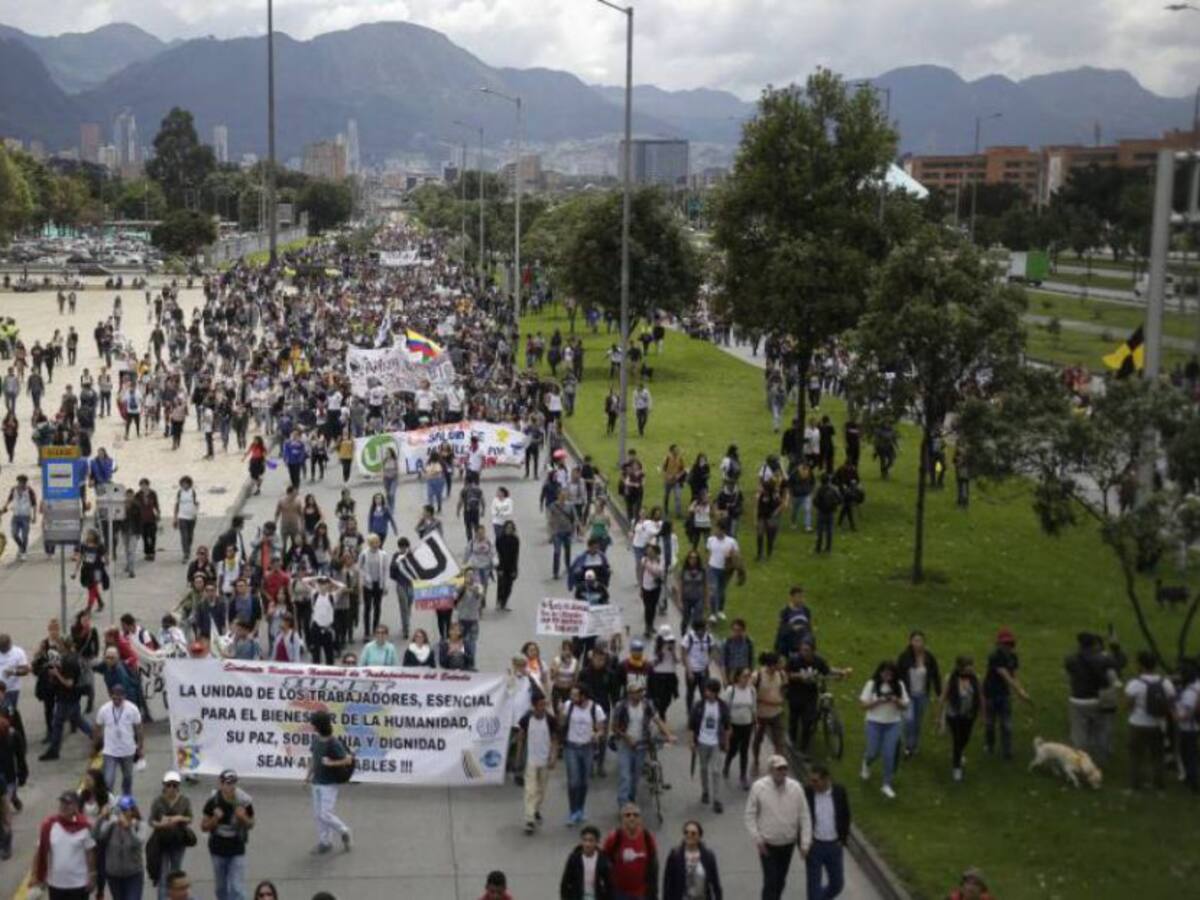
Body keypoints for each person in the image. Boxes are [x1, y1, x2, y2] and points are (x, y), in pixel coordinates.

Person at [744, 754, 811, 900]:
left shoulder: (796, 788)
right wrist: (758, 838)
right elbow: (749, 815)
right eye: (778, 769)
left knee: (780, 880)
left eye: (784, 769)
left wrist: (805, 843)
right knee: (771, 881)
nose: (782, 772)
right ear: (770, 771)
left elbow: (804, 816)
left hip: (788, 845)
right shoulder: (758, 787)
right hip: (767, 845)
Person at [1064, 630, 1125, 763]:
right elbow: (1119, 664)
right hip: (1097, 700)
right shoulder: (1104, 660)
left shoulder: (1070, 660)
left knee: (1079, 734)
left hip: (1077, 700)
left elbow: (1070, 671)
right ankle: (1100, 760)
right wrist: (1115, 647)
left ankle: (1080, 761)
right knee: (1101, 732)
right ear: (1094, 644)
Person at [612, 682, 674, 810]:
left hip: (641, 745)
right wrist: (626, 737)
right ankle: (623, 805)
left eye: (640, 691)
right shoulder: (621, 706)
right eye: (636, 692)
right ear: (629, 694)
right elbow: (615, 727)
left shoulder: (647, 705)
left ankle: (631, 798)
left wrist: (668, 735)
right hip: (625, 745)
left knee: (635, 776)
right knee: (625, 776)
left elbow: (657, 720)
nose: (639, 694)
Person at [30, 791, 97, 899]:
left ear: (76, 806)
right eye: (62, 803)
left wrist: (92, 875)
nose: (64, 806)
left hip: (79, 884)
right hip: (56, 884)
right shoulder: (49, 826)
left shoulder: (84, 827)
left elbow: (90, 852)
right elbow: (39, 851)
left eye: (68, 803)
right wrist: (34, 875)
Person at [1125, 650, 1176, 791]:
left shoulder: (1134, 684)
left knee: (1136, 756)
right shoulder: (1166, 683)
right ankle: (1159, 784)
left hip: (1137, 723)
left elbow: (1128, 704)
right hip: (1158, 724)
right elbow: (1171, 702)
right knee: (1157, 755)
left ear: (1140, 664)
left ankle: (1136, 784)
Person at [201, 770, 255, 900]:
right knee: (221, 889)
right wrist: (215, 819)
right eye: (228, 783)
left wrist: (243, 818)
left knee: (237, 887)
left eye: (234, 783)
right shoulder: (213, 801)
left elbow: (252, 823)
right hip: (218, 849)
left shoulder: (244, 800)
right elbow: (203, 827)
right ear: (221, 783)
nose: (231, 787)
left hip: (237, 847)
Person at [305, 710, 354, 853]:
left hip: (329, 784)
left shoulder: (333, 742)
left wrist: (331, 763)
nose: (312, 726)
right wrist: (308, 776)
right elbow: (314, 759)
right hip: (316, 782)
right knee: (317, 814)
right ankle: (324, 842)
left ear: (320, 725)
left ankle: (344, 830)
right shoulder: (316, 740)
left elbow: (348, 759)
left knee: (325, 814)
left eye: (314, 724)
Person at [859, 661, 909, 798]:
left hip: (893, 724)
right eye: (884, 672)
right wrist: (878, 701)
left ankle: (886, 784)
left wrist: (895, 700)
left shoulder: (899, 685)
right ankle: (866, 763)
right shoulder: (872, 684)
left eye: (890, 673)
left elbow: (905, 706)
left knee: (889, 754)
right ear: (880, 672)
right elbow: (863, 706)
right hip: (874, 722)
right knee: (873, 752)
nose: (887, 676)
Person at [982, 627, 1030, 761]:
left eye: (1009, 643)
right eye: (1004, 644)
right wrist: (1019, 691)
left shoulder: (1013, 657)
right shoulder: (994, 656)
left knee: (1007, 725)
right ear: (999, 644)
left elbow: (1014, 675)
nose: (1007, 646)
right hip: (990, 693)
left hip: (1004, 694)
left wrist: (1021, 690)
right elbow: (1005, 674)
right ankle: (990, 745)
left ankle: (1007, 751)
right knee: (990, 723)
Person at [803, 764, 850, 900]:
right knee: (813, 889)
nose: (812, 784)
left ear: (826, 779)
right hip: (814, 846)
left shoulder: (839, 792)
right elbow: (800, 818)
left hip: (834, 846)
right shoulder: (807, 792)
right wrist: (804, 842)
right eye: (811, 780)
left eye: (815, 781)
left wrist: (842, 840)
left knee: (837, 884)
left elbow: (846, 815)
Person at [562, 685, 606, 826]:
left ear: (583, 696)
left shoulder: (595, 709)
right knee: (573, 781)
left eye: (575, 696)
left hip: (587, 748)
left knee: (583, 782)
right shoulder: (568, 706)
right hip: (571, 747)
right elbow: (561, 722)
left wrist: (597, 735)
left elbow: (601, 729)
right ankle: (573, 811)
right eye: (571, 695)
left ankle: (580, 808)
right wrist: (559, 714)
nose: (572, 698)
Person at [516, 690, 558, 833]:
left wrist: (553, 757)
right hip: (531, 761)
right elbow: (521, 738)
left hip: (545, 761)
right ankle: (529, 820)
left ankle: (535, 809)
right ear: (534, 706)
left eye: (544, 704)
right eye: (540, 705)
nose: (543, 707)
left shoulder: (551, 720)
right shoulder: (526, 719)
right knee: (530, 790)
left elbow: (554, 740)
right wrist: (518, 758)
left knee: (541, 790)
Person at [896, 630, 941, 758]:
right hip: (908, 694)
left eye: (920, 640)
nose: (918, 643)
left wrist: (939, 693)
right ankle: (908, 746)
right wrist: (898, 692)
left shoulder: (929, 658)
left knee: (917, 722)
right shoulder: (904, 657)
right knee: (909, 720)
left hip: (922, 695)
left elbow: (935, 675)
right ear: (910, 642)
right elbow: (898, 676)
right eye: (915, 640)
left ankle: (914, 745)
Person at [689, 678, 731, 814]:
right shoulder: (699, 705)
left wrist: (726, 742)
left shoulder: (722, 706)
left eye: (710, 691)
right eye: (706, 690)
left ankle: (717, 799)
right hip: (702, 741)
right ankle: (705, 791)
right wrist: (691, 742)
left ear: (715, 692)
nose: (707, 693)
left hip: (716, 743)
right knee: (703, 768)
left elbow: (727, 727)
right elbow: (692, 725)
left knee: (716, 771)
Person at [150, 772, 194, 900]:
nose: (171, 788)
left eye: (175, 785)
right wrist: (162, 824)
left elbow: (190, 818)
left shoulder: (184, 800)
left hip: (178, 841)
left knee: (176, 874)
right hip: (161, 842)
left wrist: (179, 818)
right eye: (169, 785)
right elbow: (151, 821)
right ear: (164, 786)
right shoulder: (158, 801)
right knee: (163, 875)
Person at [938, 655, 982, 782]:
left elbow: (980, 696)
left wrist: (982, 714)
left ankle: (958, 752)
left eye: (972, 668)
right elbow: (943, 697)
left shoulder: (976, 678)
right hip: (954, 714)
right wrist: (938, 716)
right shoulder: (951, 678)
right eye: (968, 668)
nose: (971, 670)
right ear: (960, 668)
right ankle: (956, 767)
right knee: (957, 739)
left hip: (969, 714)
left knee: (965, 737)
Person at [95, 683, 144, 796]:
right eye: (114, 697)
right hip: (110, 751)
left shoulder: (132, 709)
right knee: (109, 779)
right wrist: (97, 744)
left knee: (127, 778)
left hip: (128, 751)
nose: (116, 699)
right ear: (111, 696)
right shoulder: (104, 709)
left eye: (119, 697)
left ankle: (126, 799)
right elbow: (98, 726)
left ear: (124, 696)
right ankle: (108, 802)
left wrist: (140, 747)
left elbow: (139, 729)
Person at [96, 794, 148, 900]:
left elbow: (138, 842)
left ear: (133, 811)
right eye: (119, 810)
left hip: (133, 874)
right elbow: (96, 836)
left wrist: (129, 828)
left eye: (125, 810)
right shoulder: (112, 825)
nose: (121, 814)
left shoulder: (140, 825)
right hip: (114, 874)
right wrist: (101, 818)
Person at [603, 803, 659, 900]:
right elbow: (603, 861)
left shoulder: (647, 838)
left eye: (635, 815)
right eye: (627, 815)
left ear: (640, 819)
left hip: (641, 893)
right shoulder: (614, 838)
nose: (631, 818)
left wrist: (653, 892)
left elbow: (653, 865)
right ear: (622, 819)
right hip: (618, 893)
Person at [662, 820, 723, 900]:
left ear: (699, 836)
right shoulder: (675, 855)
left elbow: (716, 883)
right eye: (686, 832)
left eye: (693, 833)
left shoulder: (708, 856)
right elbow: (668, 884)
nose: (689, 835)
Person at [560, 823, 614, 899]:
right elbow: (565, 883)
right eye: (585, 840)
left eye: (591, 840)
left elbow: (609, 885)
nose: (587, 844)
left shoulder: (603, 860)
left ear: (597, 842)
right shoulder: (574, 859)